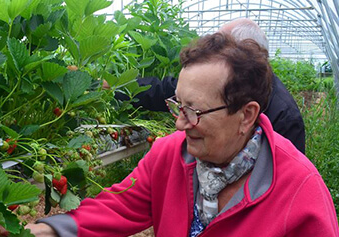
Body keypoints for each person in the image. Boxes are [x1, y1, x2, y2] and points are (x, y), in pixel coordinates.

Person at [26, 32, 339, 237]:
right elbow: (121, 206)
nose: (179, 123)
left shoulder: (297, 187)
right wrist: (46, 230)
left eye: (195, 112)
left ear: (246, 115)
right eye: (178, 105)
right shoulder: (171, 153)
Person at [115, 18, 306, 153]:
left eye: (222, 47)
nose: (179, 124)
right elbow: (163, 89)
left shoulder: (284, 116)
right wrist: (117, 87)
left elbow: (282, 185)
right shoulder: (173, 152)